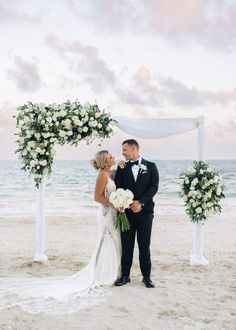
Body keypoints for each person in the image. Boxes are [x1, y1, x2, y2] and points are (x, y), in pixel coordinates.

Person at [0, 150, 121, 314]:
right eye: (111, 157)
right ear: (105, 161)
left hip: (112, 212)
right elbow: (97, 197)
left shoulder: (109, 173)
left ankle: (110, 272)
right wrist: (114, 204)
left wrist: (121, 170)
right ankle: (100, 274)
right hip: (106, 212)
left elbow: (117, 176)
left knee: (114, 241)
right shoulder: (102, 176)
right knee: (105, 240)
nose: (114, 158)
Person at [115, 139, 159, 288]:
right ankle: (125, 276)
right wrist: (126, 203)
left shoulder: (151, 166)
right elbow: (118, 188)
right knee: (126, 246)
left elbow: (154, 187)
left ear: (134, 149)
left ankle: (146, 277)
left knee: (144, 246)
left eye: (125, 150)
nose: (122, 153)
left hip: (145, 213)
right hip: (126, 213)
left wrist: (141, 203)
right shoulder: (121, 168)